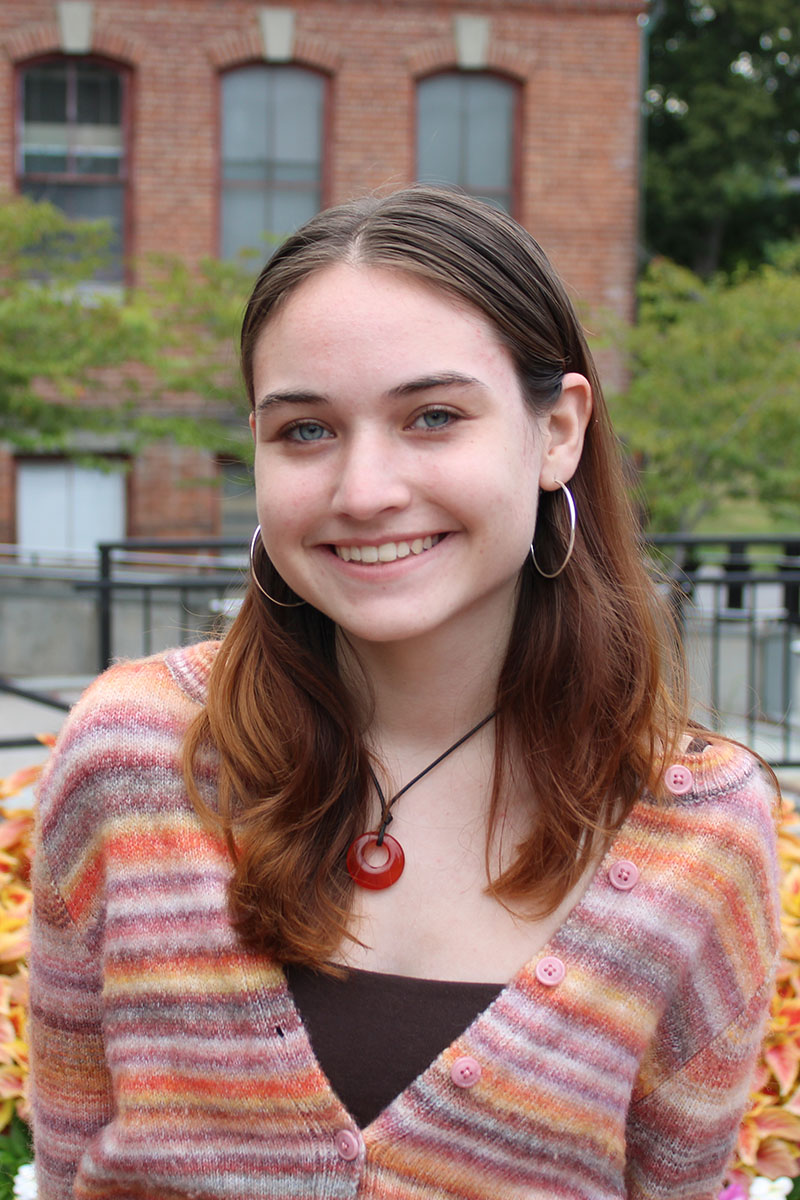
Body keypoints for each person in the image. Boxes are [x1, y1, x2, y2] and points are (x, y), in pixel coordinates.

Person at [31, 186, 780, 1200]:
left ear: (555, 429)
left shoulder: (695, 832)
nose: (364, 490)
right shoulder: (134, 757)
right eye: (305, 431)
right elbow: (71, 1152)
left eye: (431, 417)